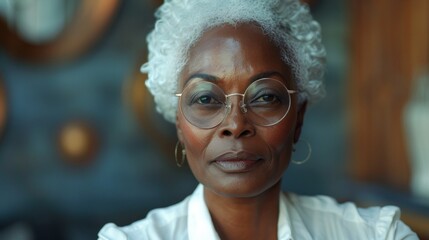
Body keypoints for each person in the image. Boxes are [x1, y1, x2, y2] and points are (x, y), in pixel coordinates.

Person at [98, 0, 418, 239]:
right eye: (207, 99)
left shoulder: (377, 235)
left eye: (264, 97)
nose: (236, 124)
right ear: (180, 124)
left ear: (299, 117)